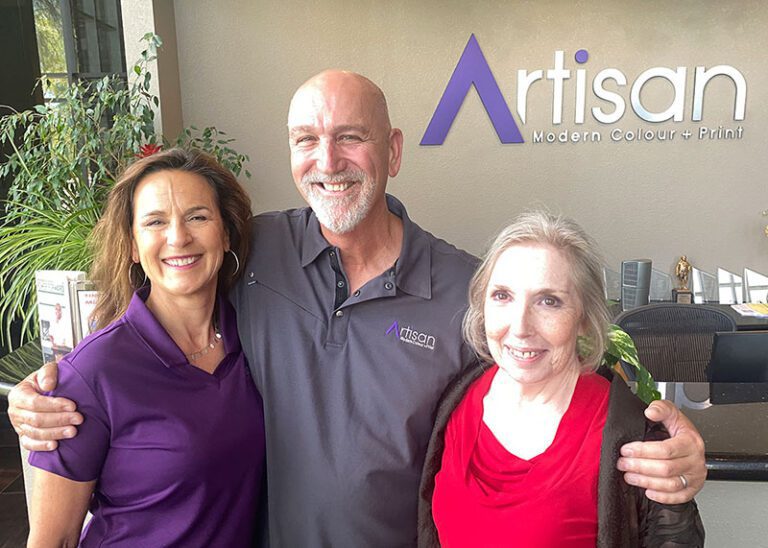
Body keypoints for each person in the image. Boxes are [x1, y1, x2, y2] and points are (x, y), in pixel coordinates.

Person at [10, 71, 706, 547]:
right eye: (306, 140)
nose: (328, 160)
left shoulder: (465, 288)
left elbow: (562, 363)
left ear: (393, 151)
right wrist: (60, 381)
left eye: (351, 136)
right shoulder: (255, 252)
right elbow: (165, 291)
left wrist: (665, 445)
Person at [418, 211, 705, 547]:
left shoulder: (633, 438)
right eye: (502, 296)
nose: (520, 326)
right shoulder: (457, 400)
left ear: (583, 319)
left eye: (548, 301)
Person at [26, 148, 265, 547]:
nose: (178, 237)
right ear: (134, 246)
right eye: (155, 222)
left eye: (198, 217)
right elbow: (54, 539)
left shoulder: (257, 337)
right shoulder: (92, 373)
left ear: (226, 234)